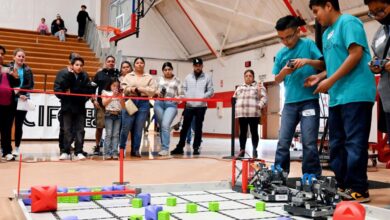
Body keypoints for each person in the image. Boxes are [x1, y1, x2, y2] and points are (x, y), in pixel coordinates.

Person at [307, 0, 376, 202]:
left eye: (316, 11)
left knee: (354, 143)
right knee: (337, 144)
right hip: (337, 97)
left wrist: (330, 80)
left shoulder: (349, 22)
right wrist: (320, 77)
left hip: (356, 93)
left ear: (329, 5)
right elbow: (337, 63)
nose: (315, 17)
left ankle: (359, 188)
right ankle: (344, 184)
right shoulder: (328, 33)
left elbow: (355, 56)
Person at [272, 15, 324, 177]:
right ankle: (280, 171)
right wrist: (284, 71)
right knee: (283, 142)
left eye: (289, 36)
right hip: (290, 104)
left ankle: (311, 173)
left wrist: (307, 61)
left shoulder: (308, 44)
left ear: (297, 31)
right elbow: (276, 79)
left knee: (309, 142)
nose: (286, 41)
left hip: (309, 101)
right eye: (282, 38)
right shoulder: (281, 54)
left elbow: (323, 64)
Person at [171, 57, 214, 156]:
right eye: (196, 66)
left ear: (202, 66)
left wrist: (203, 96)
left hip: (201, 106)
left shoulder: (207, 77)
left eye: (199, 66)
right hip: (189, 105)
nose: (197, 67)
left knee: (198, 128)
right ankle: (180, 147)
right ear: (193, 66)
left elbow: (211, 91)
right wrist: (187, 97)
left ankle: (196, 147)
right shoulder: (188, 77)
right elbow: (184, 89)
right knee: (185, 127)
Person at [54, 57, 95, 160]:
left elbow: (87, 90)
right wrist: (69, 93)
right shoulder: (66, 74)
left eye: (81, 65)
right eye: (77, 65)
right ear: (72, 65)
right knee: (67, 130)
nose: (79, 67)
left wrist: (76, 92)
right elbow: (62, 88)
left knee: (80, 130)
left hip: (80, 107)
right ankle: (65, 151)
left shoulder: (84, 76)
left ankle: (79, 151)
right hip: (67, 107)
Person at [119, 57, 157, 157]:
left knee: (139, 127)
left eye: (141, 63)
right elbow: (123, 87)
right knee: (126, 126)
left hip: (144, 102)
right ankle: (122, 149)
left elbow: (153, 90)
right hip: (130, 100)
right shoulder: (128, 76)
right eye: (137, 63)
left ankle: (135, 150)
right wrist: (132, 89)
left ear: (144, 65)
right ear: (134, 65)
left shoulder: (149, 77)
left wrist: (140, 89)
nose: (139, 64)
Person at [365, 0, 390, 146]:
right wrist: (375, 65)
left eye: (380, 10)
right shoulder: (379, 33)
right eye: (373, 13)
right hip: (387, 99)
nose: (378, 16)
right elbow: (376, 56)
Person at [233, 69, 267, 158]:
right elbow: (234, 98)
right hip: (242, 114)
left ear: (253, 77)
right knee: (242, 133)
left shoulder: (258, 87)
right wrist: (235, 106)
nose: (248, 77)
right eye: (246, 76)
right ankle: (242, 150)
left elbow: (264, 98)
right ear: (244, 77)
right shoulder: (239, 88)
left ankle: (254, 149)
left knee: (254, 132)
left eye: (250, 76)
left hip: (254, 114)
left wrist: (259, 106)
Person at [91, 56, 120, 155]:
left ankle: (112, 148)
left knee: (113, 130)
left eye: (112, 61)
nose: (111, 63)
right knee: (99, 127)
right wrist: (94, 100)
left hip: (115, 106)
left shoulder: (118, 74)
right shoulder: (99, 74)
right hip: (101, 105)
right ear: (105, 63)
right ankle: (97, 146)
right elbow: (91, 89)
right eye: (109, 61)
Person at [154, 62, 183, 156]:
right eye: (165, 70)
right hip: (159, 103)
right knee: (162, 126)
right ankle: (163, 147)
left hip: (171, 105)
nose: (167, 71)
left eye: (169, 69)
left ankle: (165, 148)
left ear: (172, 70)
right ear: (163, 71)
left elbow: (181, 94)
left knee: (165, 125)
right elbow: (153, 91)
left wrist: (176, 100)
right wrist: (157, 93)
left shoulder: (177, 80)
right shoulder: (158, 79)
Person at [9, 48, 34, 157]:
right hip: (9, 99)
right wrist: (18, 93)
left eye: (23, 56)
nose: (21, 58)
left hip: (23, 99)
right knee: (7, 125)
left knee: (19, 125)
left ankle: (17, 148)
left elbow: (30, 85)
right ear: (13, 57)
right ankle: (5, 148)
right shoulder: (8, 68)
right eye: (19, 56)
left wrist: (22, 94)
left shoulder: (28, 70)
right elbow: (7, 84)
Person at [54, 52, 80, 153]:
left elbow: (86, 90)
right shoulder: (62, 73)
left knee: (76, 128)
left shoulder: (82, 74)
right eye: (74, 60)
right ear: (70, 61)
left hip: (78, 106)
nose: (77, 62)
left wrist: (83, 99)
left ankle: (69, 145)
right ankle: (63, 148)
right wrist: (65, 96)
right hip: (67, 106)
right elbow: (57, 89)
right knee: (64, 128)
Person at [0, 45, 20, 161]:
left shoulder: (8, 67)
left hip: (8, 105)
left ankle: (6, 151)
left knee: (6, 129)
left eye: (2, 54)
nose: (0, 56)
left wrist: (15, 76)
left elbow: (17, 83)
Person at [102, 79, 122, 159]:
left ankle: (114, 152)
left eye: (117, 86)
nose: (115, 87)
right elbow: (104, 103)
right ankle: (107, 153)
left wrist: (121, 97)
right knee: (108, 134)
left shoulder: (120, 94)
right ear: (110, 85)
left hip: (118, 115)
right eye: (114, 85)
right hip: (109, 114)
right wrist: (113, 95)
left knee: (116, 135)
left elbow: (123, 106)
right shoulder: (105, 92)